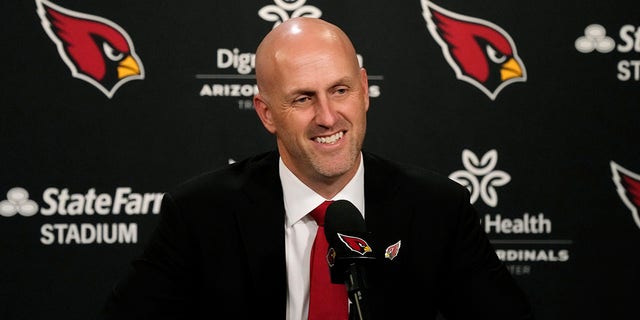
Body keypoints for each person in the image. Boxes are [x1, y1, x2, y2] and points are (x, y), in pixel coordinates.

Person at [101, 17, 533, 319]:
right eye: (303, 98)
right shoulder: (198, 215)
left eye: (340, 90)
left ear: (364, 91)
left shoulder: (438, 209)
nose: (328, 117)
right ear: (267, 113)